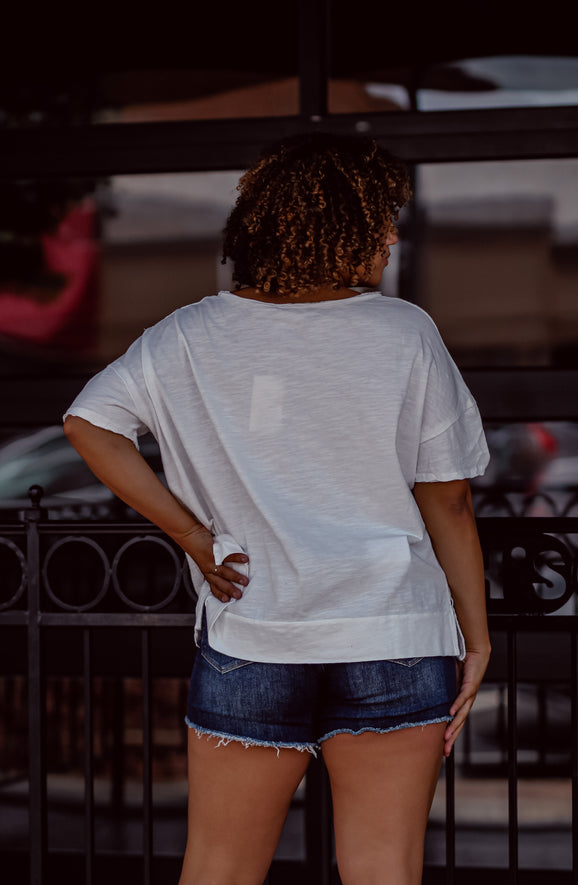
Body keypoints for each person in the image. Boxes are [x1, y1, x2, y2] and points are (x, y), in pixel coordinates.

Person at [63, 133, 491, 885]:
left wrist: (195, 536)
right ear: (337, 227)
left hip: (254, 633)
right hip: (393, 631)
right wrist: (476, 637)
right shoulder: (404, 332)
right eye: (379, 219)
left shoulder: (191, 335)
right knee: (384, 870)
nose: (392, 236)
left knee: (221, 868)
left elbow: (89, 424)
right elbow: (448, 499)